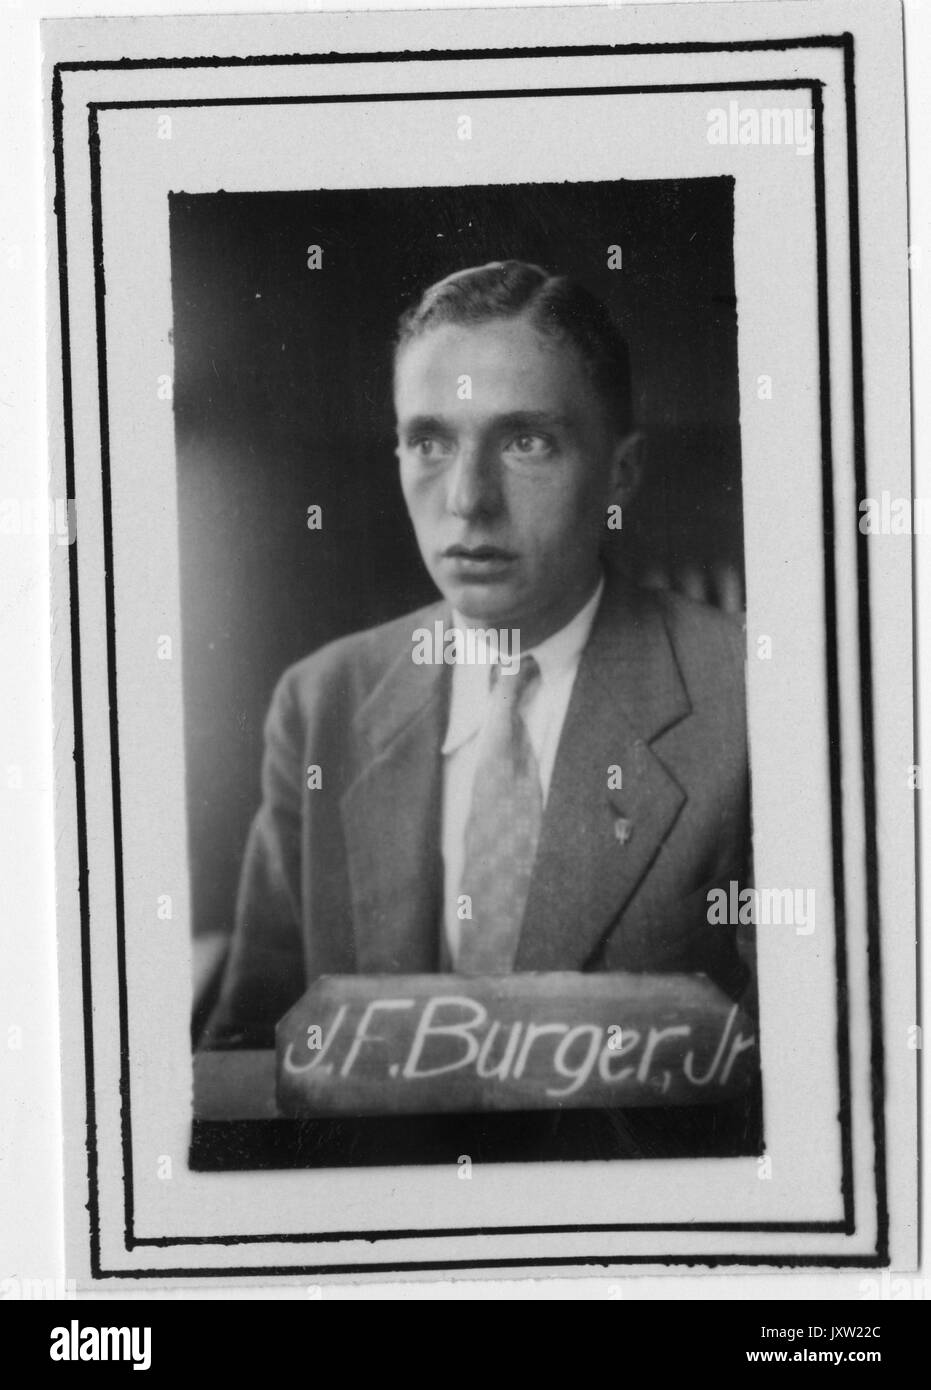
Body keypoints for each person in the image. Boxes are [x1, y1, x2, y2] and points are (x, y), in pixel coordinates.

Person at [203, 260, 751, 1052]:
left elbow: (794, 1085)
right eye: (428, 441)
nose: (467, 498)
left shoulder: (751, 699)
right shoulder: (323, 702)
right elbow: (249, 1058)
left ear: (619, 472)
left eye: (524, 441)